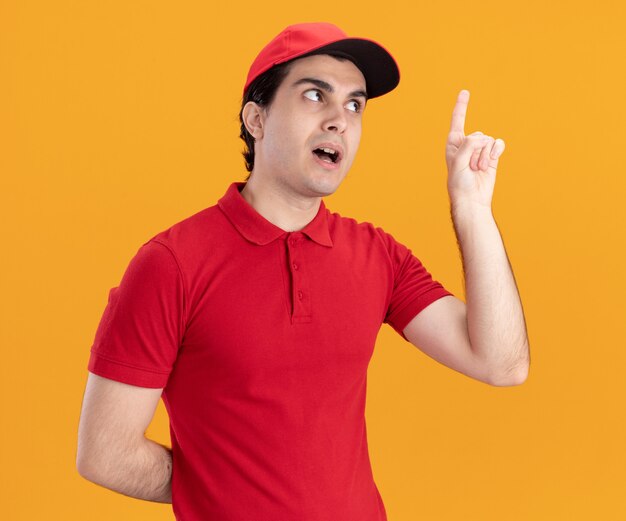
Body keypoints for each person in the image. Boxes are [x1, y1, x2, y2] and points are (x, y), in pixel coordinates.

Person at [76, 22, 530, 521]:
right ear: (257, 118)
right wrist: (214, 488)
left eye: (355, 105)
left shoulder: (377, 254)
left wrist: (472, 209)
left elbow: (501, 363)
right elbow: (105, 453)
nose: (340, 119)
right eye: (316, 95)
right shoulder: (172, 264)